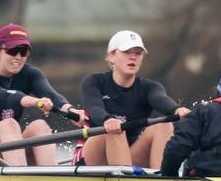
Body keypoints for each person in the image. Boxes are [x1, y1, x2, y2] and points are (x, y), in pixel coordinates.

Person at [0, 24, 82, 167]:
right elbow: (8, 97)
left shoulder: (30, 74)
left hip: (8, 151)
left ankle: (51, 178)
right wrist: (36, 102)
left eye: (23, 51)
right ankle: (20, 178)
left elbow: (51, 94)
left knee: (39, 126)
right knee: (9, 125)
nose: (18, 57)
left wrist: (70, 110)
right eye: (13, 51)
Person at [78, 30, 191, 168]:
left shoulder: (150, 87)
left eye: (138, 53)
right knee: (116, 129)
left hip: (129, 155)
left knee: (164, 124)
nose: (133, 57)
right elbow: (94, 107)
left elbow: (160, 99)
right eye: (127, 52)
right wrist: (107, 120)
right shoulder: (94, 82)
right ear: (111, 56)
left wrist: (177, 109)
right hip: (95, 153)